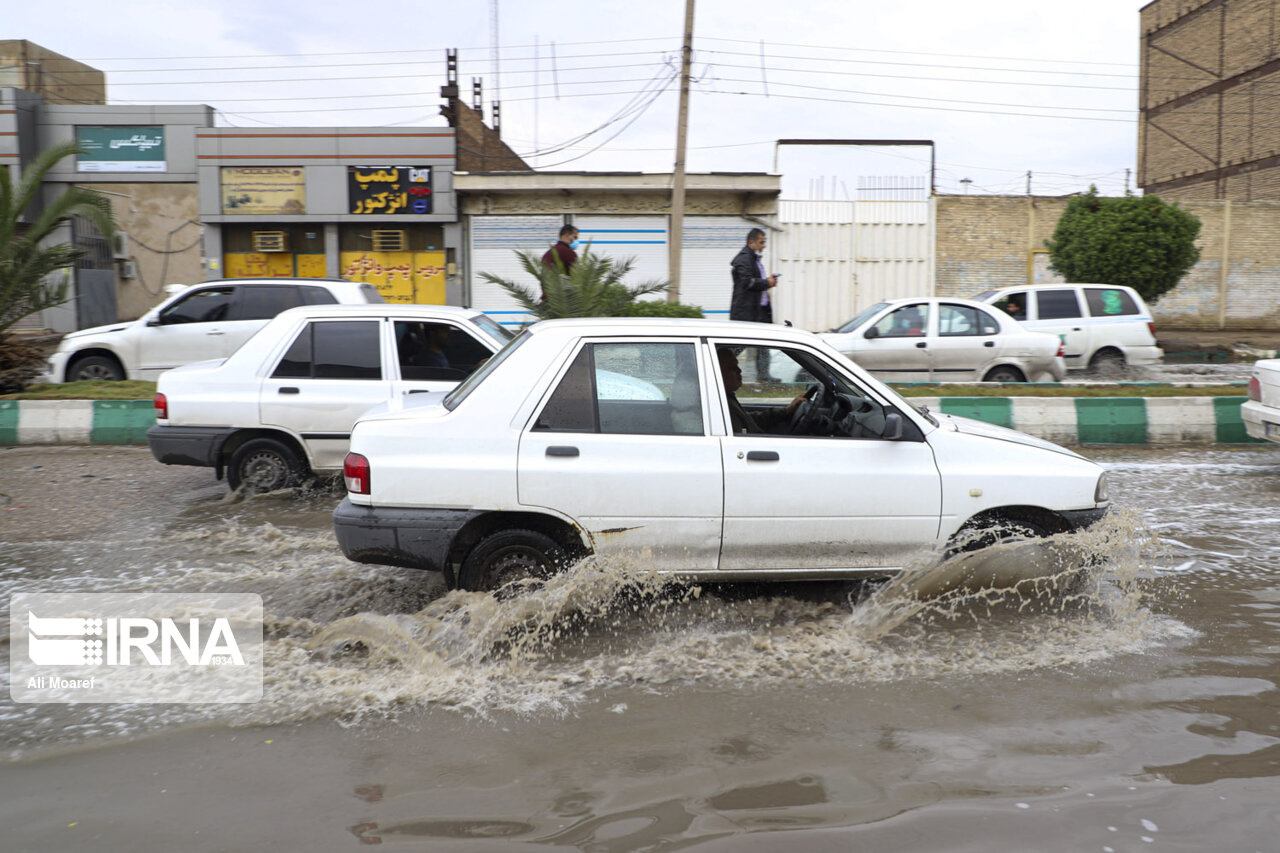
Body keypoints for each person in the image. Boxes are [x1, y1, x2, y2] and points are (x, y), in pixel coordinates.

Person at [717, 347, 804, 435]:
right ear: (717, 373)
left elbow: (750, 420)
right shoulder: (719, 407)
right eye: (732, 368)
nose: (739, 370)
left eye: (737, 365)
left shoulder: (726, 398)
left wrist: (786, 411)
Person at [729, 227, 779, 380]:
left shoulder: (754, 259)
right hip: (747, 311)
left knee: (764, 344)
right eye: (761, 242)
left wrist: (767, 281)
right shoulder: (744, 259)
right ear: (752, 242)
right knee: (739, 345)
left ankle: (763, 375)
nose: (764, 245)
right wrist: (767, 283)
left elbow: (755, 280)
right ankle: (718, 364)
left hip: (759, 310)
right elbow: (747, 282)